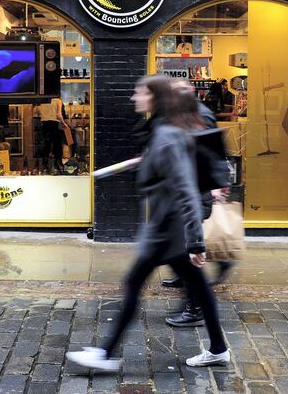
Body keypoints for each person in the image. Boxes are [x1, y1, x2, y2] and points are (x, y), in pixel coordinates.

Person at [66, 75, 230, 371]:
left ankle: (105, 354)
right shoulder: (164, 132)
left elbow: (187, 190)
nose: (134, 97)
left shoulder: (167, 135)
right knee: (198, 286)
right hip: (170, 228)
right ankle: (218, 348)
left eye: (139, 92)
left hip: (169, 229)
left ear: (154, 97)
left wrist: (195, 241)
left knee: (133, 283)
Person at [161, 80, 233, 328]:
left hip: (196, 191)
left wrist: (218, 185)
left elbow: (213, 152)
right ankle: (188, 284)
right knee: (182, 249)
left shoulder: (200, 116)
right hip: (187, 191)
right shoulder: (182, 115)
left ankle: (195, 308)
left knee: (189, 250)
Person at [37, 97, 66, 174]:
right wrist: (64, 123)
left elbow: (38, 111)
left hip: (44, 125)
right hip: (55, 125)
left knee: (46, 146)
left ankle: (45, 167)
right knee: (57, 146)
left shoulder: (40, 101)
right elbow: (59, 115)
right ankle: (57, 166)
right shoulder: (57, 101)